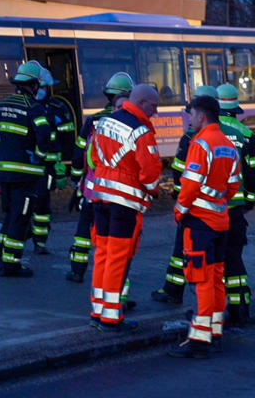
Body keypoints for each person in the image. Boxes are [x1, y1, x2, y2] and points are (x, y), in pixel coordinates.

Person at [167, 95, 241, 359]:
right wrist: (217, 202)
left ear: (202, 115)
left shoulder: (200, 143)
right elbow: (233, 185)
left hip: (199, 223)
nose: (190, 119)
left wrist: (179, 211)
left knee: (201, 281)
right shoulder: (226, 144)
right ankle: (215, 332)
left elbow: (190, 185)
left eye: (191, 114)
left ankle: (199, 340)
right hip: (221, 222)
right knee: (217, 278)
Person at [89, 84, 162, 332]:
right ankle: (111, 317)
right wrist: (153, 190)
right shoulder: (141, 131)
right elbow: (150, 174)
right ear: (141, 102)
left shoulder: (104, 122)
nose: (156, 111)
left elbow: (94, 158)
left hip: (100, 199)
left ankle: (98, 309)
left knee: (102, 254)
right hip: (124, 204)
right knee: (118, 258)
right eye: (154, 106)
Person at [0, 61, 53, 277]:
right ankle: (10, 265)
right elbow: (44, 134)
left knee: (10, 215)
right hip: (26, 174)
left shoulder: (2, 105)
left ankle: (1, 257)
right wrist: (39, 155)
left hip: (4, 172)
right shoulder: (34, 107)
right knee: (20, 218)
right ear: (33, 86)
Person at [66, 72, 134, 283]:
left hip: (91, 187)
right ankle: (114, 280)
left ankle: (78, 270)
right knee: (112, 236)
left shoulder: (94, 120)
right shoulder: (131, 122)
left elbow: (79, 153)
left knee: (83, 228)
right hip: (117, 190)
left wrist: (78, 182)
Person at [214, 83, 255, 327]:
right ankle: (240, 308)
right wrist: (249, 200)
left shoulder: (203, 132)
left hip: (211, 208)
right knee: (235, 258)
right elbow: (252, 172)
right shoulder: (246, 134)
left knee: (214, 262)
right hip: (236, 208)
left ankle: (212, 313)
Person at [27, 63, 73, 255]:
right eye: (39, 86)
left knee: (43, 202)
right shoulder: (25, 106)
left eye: (44, 87)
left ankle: (40, 240)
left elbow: (68, 136)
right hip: (27, 164)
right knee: (24, 202)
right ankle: (24, 232)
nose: (41, 91)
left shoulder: (58, 107)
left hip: (48, 165)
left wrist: (64, 165)